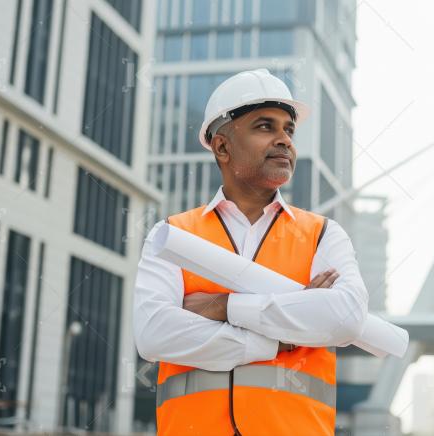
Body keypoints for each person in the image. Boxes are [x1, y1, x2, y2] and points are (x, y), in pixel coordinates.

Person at [133, 69, 369, 435]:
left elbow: (347, 318)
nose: (284, 140)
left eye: (288, 129)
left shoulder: (323, 234)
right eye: (265, 127)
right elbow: (153, 334)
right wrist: (289, 333)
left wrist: (223, 307)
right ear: (222, 146)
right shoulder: (172, 236)